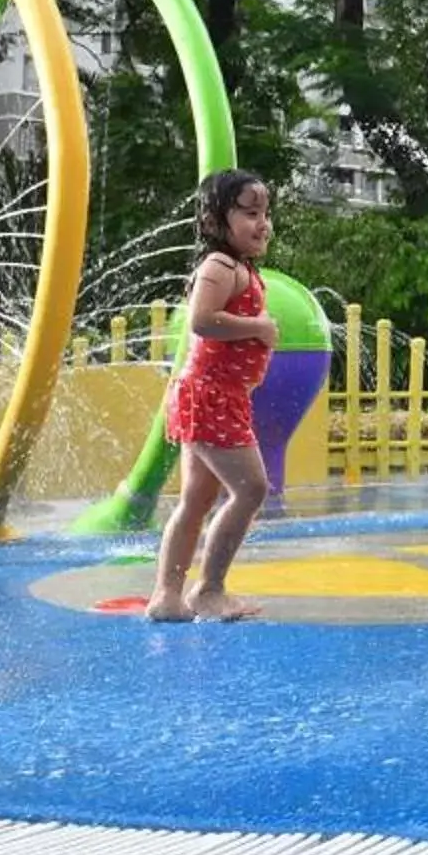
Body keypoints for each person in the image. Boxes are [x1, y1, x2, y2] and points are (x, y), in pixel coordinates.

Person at [147, 169, 281, 624]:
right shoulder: (219, 266)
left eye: (265, 214)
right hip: (211, 396)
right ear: (216, 220)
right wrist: (259, 328)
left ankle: (167, 597)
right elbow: (202, 320)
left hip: (218, 396)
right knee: (251, 488)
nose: (261, 223)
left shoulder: (241, 269)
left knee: (198, 499)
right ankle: (208, 589)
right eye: (249, 213)